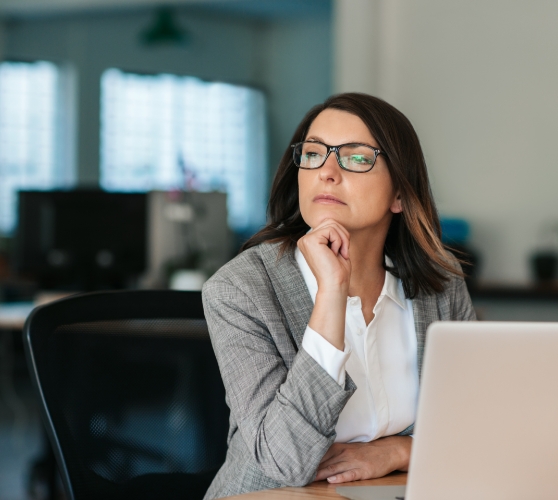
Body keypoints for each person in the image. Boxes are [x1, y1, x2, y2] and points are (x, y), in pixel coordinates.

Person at [201, 93, 476, 499]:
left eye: (357, 157)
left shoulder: (441, 285)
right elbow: (284, 460)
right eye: (313, 154)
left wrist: (399, 451)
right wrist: (331, 295)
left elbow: (476, 424)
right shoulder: (240, 289)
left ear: (400, 194)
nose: (327, 171)